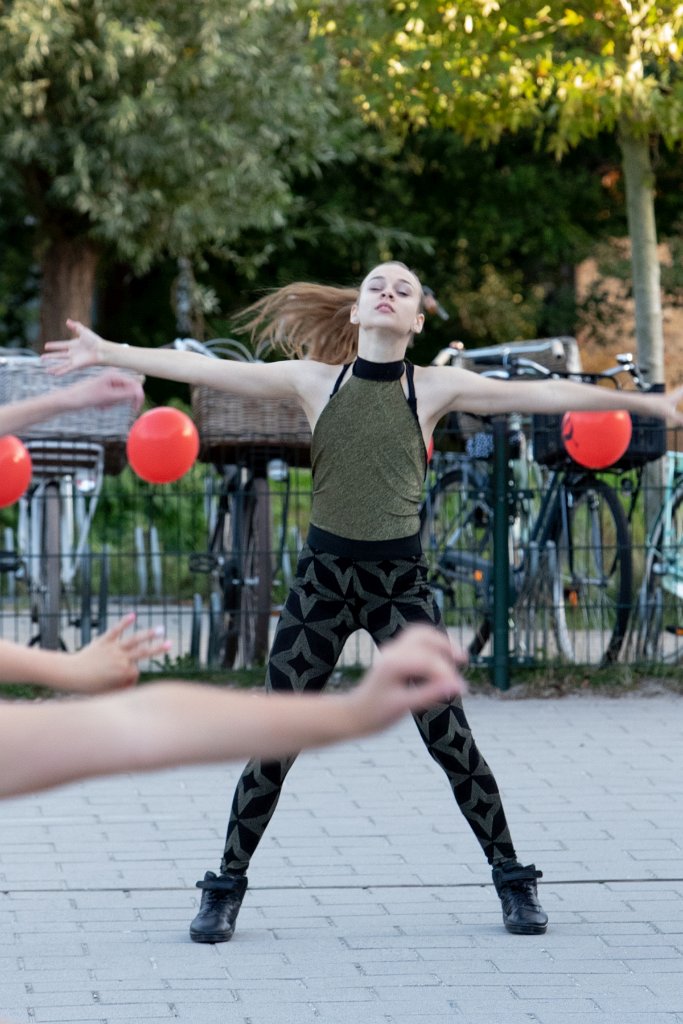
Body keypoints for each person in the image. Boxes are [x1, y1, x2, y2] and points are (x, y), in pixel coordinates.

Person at [43, 263, 683, 943]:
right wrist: (107, 351)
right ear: (354, 314)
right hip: (321, 583)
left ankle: (512, 880)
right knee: (273, 738)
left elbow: (546, 393)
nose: (386, 292)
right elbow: (197, 369)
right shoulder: (314, 381)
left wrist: (651, 406)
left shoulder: (434, 387)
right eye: (375, 285)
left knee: (450, 739)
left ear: (415, 321)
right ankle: (223, 888)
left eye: (403, 289)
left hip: (397, 588)